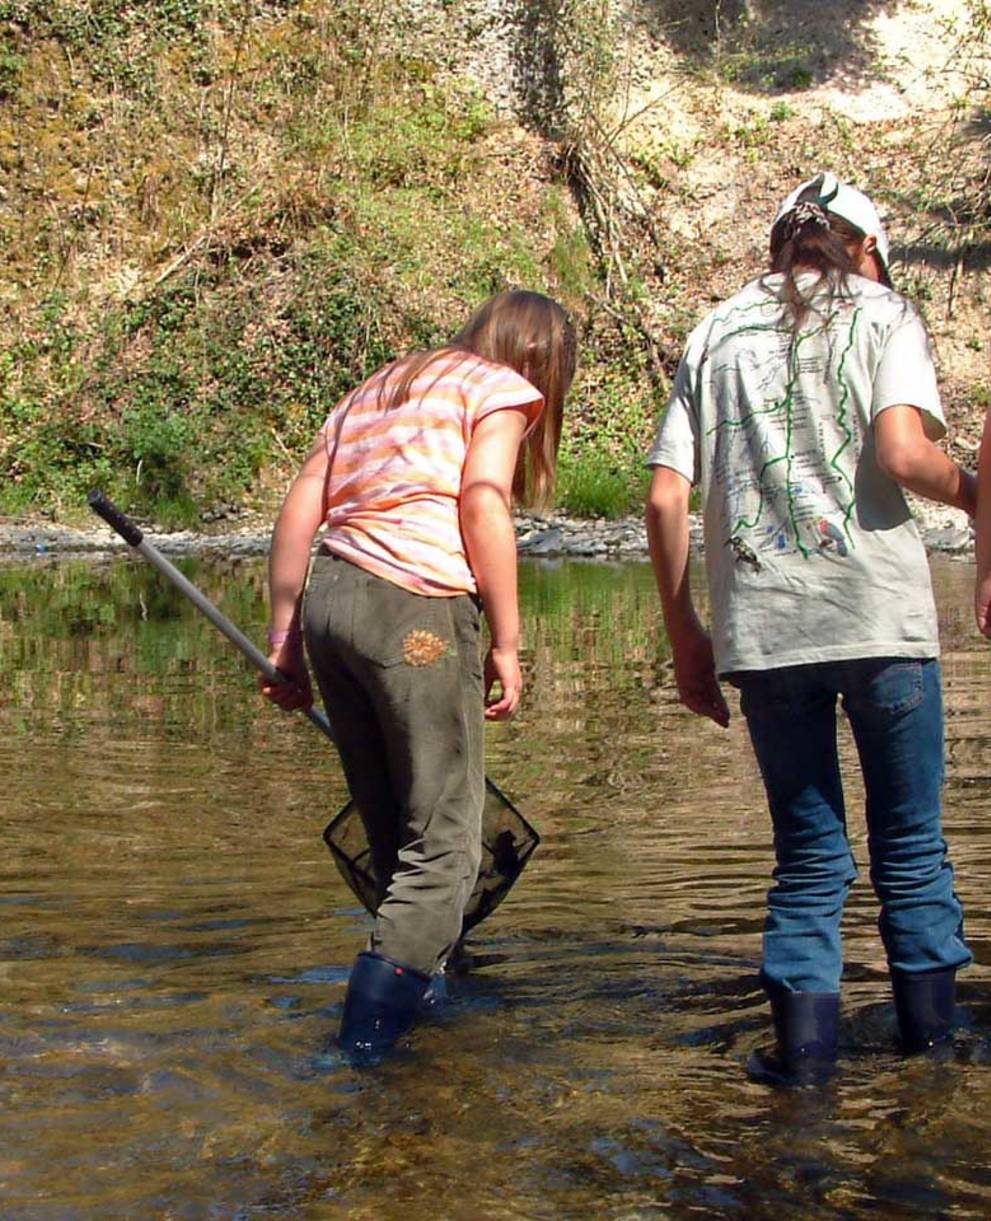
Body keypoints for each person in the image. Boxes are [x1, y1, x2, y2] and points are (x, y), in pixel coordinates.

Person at [645, 172, 975, 1084]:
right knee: (908, 849)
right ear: (863, 250)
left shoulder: (715, 327)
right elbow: (903, 453)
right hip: (877, 614)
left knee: (807, 861)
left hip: (762, 626)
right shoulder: (881, 310)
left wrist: (688, 638)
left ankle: (800, 1079)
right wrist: (980, 497)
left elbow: (665, 494)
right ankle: (933, 1073)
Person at [260, 290, 577, 1054]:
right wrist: (506, 635)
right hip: (417, 606)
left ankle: (422, 994)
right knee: (444, 846)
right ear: (535, 357)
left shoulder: (381, 385)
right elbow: (481, 499)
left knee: (394, 831)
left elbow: (305, 498)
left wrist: (285, 632)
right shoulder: (499, 386)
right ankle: (363, 1050)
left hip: (333, 600)